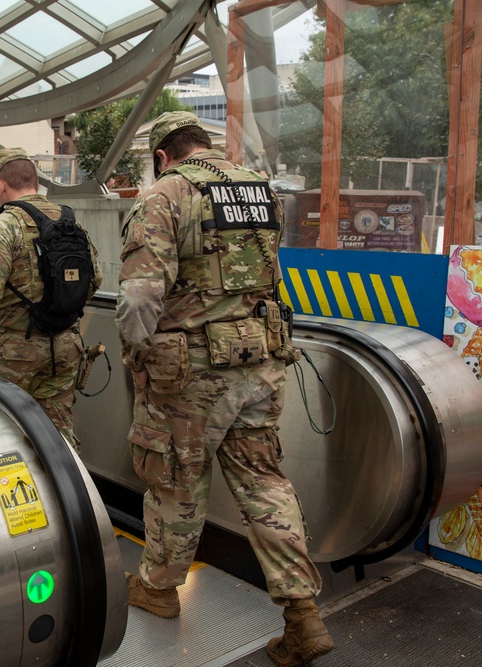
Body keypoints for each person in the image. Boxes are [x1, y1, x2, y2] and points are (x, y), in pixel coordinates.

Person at [116, 111, 333, 667]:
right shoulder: (261, 191)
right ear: (205, 146)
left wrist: (138, 356)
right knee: (264, 482)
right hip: (260, 363)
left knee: (176, 478)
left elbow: (141, 299)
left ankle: (160, 590)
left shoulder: (165, 195)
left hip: (190, 375)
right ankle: (302, 615)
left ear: (163, 155)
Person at [0, 148, 103, 454]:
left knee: (4, 437)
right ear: (34, 181)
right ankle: (68, 496)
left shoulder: (2, 227)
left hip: (14, 353)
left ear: (1, 185)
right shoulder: (70, 223)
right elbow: (95, 280)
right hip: (66, 347)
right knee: (59, 436)